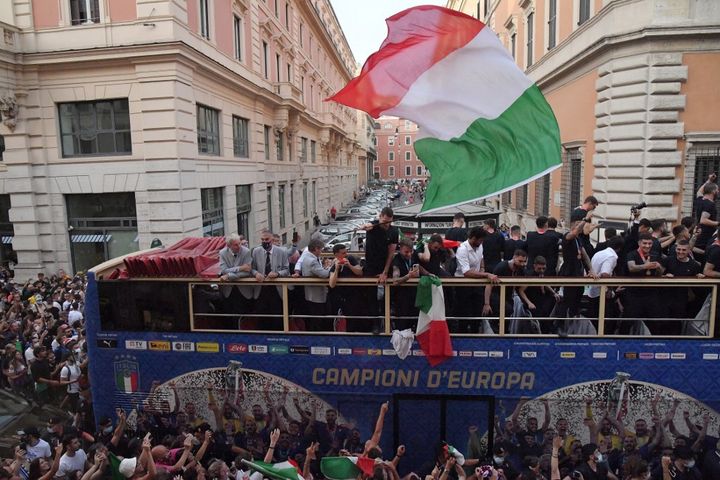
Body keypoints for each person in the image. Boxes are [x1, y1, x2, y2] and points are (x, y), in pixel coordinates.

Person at [360, 207, 400, 332]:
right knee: (370, 297)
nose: (386, 224)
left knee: (388, 295)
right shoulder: (374, 225)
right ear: (380, 217)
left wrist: (385, 271)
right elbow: (369, 225)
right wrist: (365, 226)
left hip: (384, 267)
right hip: (370, 267)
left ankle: (387, 321)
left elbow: (391, 253)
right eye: (384, 221)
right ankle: (374, 324)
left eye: (389, 222)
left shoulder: (394, 231)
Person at [454, 227, 499, 333]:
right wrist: (486, 274)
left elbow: (481, 257)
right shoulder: (462, 249)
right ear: (474, 238)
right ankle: (463, 335)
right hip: (463, 285)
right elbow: (466, 272)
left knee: (477, 312)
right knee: (464, 314)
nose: (481, 242)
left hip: (477, 283)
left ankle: (475, 334)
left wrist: (482, 269)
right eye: (480, 240)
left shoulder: (479, 245)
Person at [623, 233, 663, 334]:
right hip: (634, 293)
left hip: (651, 294)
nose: (647, 246)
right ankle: (622, 343)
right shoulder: (632, 254)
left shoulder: (655, 255)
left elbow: (660, 273)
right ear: (639, 243)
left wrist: (659, 267)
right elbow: (631, 268)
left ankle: (655, 344)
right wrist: (645, 266)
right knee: (628, 321)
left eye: (650, 243)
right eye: (644, 243)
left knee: (655, 322)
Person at [250, 231, 290, 330]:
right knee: (262, 317)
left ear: (272, 240)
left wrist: (277, 274)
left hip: (277, 289)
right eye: (262, 240)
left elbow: (286, 269)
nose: (264, 242)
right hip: (261, 288)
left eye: (266, 239)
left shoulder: (281, 252)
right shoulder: (256, 251)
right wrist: (256, 274)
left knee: (277, 317)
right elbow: (252, 268)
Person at [661, 240, 703, 332]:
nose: (680, 252)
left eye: (683, 250)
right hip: (665, 297)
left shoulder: (694, 265)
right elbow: (658, 276)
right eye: (678, 249)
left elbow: (698, 282)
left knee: (676, 324)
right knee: (663, 323)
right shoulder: (668, 260)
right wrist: (664, 276)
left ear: (688, 251)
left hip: (681, 299)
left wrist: (699, 277)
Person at [587, 237, 624, 326]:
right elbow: (605, 274)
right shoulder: (612, 256)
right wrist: (609, 290)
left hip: (592, 291)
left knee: (594, 320)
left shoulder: (599, 253)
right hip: (601, 293)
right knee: (606, 321)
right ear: (619, 248)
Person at [328, 244, 364, 331]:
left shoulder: (350, 259)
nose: (346, 254)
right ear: (337, 255)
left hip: (354, 295)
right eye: (343, 253)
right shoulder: (335, 264)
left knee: (356, 320)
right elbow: (332, 284)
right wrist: (337, 269)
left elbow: (360, 272)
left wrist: (350, 266)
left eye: (346, 252)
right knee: (347, 320)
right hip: (342, 297)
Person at [218, 234, 254, 316]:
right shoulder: (222, 253)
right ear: (229, 246)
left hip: (244, 291)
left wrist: (228, 276)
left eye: (240, 243)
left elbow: (247, 272)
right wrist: (240, 268)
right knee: (229, 316)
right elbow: (223, 271)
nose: (239, 246)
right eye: (236, 245)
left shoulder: (246, 251)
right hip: (228, 291)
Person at [301, 239, 331, 331]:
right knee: (317, 321)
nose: (321, 251)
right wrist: (331, 267)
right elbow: (324, 274)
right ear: (316, 249)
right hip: (316, 296)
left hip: (311, 295)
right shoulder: (312, 261)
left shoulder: (307, 258)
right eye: (321, 249)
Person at [391, 239, 421, 330]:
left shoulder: (414, 255)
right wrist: (408, 276)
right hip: (401, 298)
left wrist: (428, 274)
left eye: (411, 251)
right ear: (400, 250)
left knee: (414, 323)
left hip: (414, 296)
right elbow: (395, 280)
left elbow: (421, 265)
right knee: (402, 325)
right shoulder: (396, 260)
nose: (409, 254)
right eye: (406, 252)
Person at [694, 174, 719, 258]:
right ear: (713, 191)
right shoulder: (709, 204)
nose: (718, 192)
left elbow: (699, 192)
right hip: (705, 236)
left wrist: (709, 180)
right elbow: (703, 220)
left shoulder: (700, 199)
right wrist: (718, 223)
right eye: (717, 190)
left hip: (700, 234)